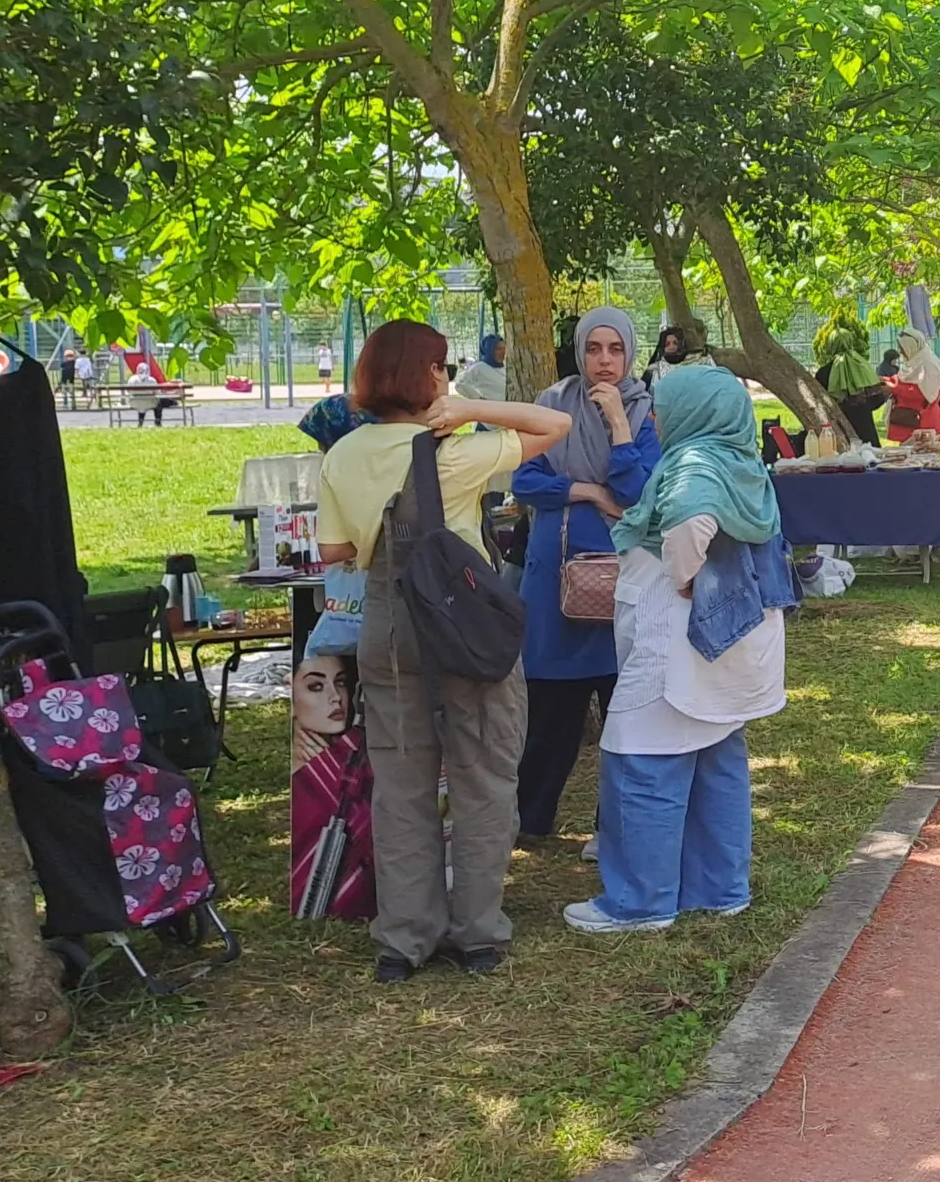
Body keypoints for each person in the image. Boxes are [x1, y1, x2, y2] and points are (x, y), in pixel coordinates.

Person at [312, 320, 571, 982]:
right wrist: (473, 410)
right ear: (429, 376)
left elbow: (335, 553)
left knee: (401, 786)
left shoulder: (341, 454)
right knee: (484, 776)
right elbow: (552, 426)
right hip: (462, 629)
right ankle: (477, 932)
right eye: (442, 368)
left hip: (388, 627)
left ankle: (404, 938)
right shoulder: (454, 451)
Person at [565, 365, 789, 933]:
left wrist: (683, 572)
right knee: (717, 759)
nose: (658, 419)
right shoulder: (741, 460)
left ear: (696, 413)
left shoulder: (695, 463)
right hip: (732, 640)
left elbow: (691, 522)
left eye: (665, 408)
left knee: (641, 760)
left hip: (682, 639)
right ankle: (720, 888)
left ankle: (640, 902)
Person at [510, 308, 660, 845]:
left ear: (630, 352)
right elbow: (524, 480)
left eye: (615, 349)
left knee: (624, 707)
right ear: (578, 351)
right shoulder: (553, 407)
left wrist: (619, 424)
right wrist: (588, 491)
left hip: (625, 580)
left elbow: (640, 493)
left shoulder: (648, 411)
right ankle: (530, 821)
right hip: (556, 578)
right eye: (593, 348)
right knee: (549, 709)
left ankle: (613, 826)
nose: (603, 361)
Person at [885, 329, 940, 442]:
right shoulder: (914, 362)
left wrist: (895, 388)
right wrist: (887, 381)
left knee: (926, 456)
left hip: (925, 424)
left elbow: (924, 394)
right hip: (909, 422)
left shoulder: (929, 364)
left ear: (911, 346)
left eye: (902, 348)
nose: (900, 352)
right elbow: (902, 380)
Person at [454, 334, 507, 402]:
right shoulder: (479, 368)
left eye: (504, 348)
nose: (503, 352)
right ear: (489, 350)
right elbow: (460, 383)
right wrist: (478, 398)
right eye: (498, 349)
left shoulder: (507, 367)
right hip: (491, 409)